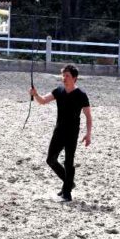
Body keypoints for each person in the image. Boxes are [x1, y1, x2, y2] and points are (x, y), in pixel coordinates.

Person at [29, 64, 92, 202]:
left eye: (67, 75)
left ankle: (67, 193)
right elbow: (43, 101)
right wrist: (35, 94)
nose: (64, 78)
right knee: (50, 159)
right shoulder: (59, 90)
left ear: (74, 78)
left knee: (68, 162)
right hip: (59, 131)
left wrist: (88, 134)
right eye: (63, 75)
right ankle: (69, 183)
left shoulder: (81, 95)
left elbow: (88, 116)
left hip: (72, 133)